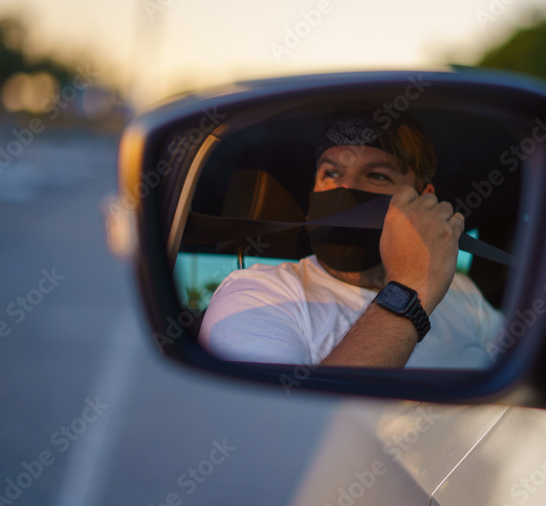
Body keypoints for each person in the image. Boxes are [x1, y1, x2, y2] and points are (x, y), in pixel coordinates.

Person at [198, 111, 504, 368]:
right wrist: (410, 290)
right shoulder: (257, 294)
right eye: (331, 173)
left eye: (377, 176)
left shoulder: (461, 293)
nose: (345, 189)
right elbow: (286, 427)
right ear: (313, 189)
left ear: (424, 201)